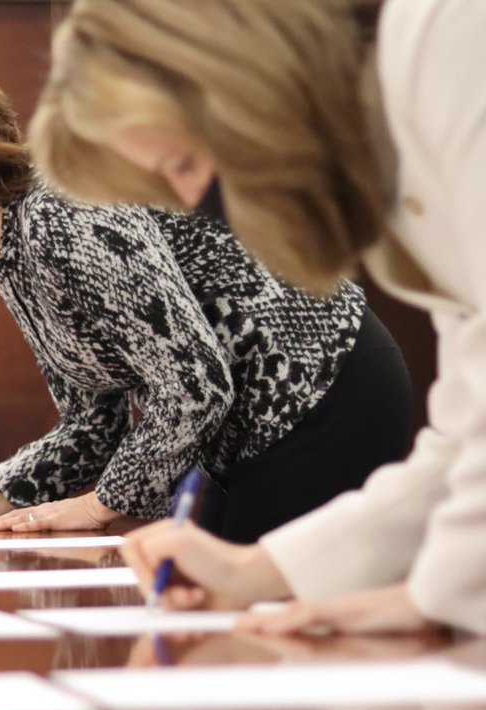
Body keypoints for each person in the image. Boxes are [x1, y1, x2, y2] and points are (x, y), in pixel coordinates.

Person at [30, 0, 485, 635]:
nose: (199, 204)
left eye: (186, 164)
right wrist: (257, 571)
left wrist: (437, 595)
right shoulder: (384, 125)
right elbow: (464, 443)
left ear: (240, 77)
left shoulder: (447, 39)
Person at [0, 68, 411, 545]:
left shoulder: (68, 218)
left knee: (262, 629)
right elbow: (91, 424)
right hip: (251, 424)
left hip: (323, 388)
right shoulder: (13, 260)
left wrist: (100, 504)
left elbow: (196, 383)